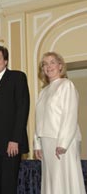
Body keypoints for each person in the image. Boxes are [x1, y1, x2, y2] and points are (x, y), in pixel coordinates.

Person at [33, 52, 85, 194]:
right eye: (45, 64)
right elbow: (39, 119)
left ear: (60, 66)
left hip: (62, 143)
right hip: (46, 142)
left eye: (52, 62)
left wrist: (63, 143)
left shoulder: (66, 85)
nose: (48, 66)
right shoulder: (43, 92)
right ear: (42, 69)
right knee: (51, 181)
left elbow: (70, 115)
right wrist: (37, 143)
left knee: (64, 180)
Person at [0, 45, 30, 194]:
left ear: (6, 60)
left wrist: (15, 139)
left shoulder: (17, 77)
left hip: (10, 145)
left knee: (8, 187)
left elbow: (22, 109)